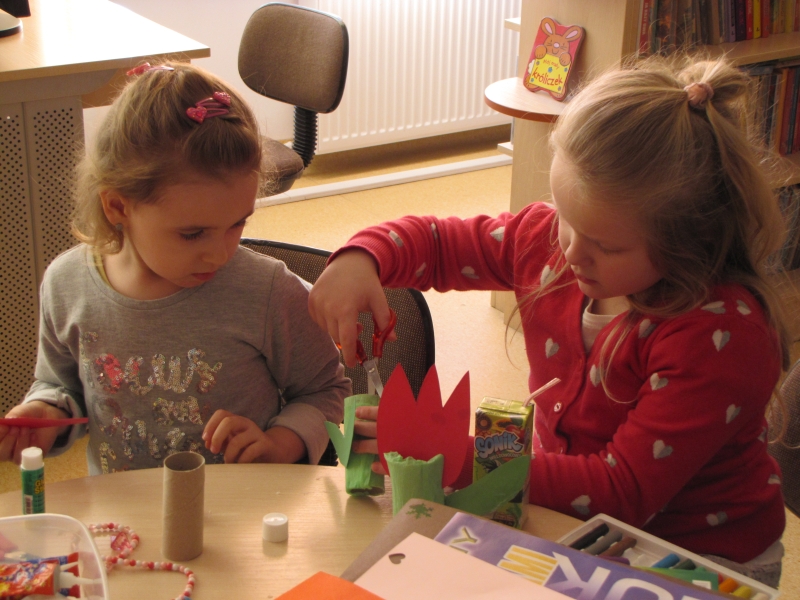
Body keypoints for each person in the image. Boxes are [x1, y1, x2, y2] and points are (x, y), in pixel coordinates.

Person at [308, 55, 790, 585]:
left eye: (606, 245)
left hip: (702, 560)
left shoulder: (721, 335)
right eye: (565, 215)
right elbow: (440, 243)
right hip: (585, 522)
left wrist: (448, 454)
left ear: (687, 240)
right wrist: (365, 257)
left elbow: (621, 489)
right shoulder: (554, 243)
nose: (571, 252)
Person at [0, 62, 349, 474]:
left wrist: (279, 444)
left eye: (237, 224)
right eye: (192, 234)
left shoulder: (266, 291)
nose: (219, 254)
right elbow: (61, 385)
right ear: (118, 207)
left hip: (243, 505)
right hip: (125, 510)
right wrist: (46, 410)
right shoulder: (66, 285)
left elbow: (326, 389)